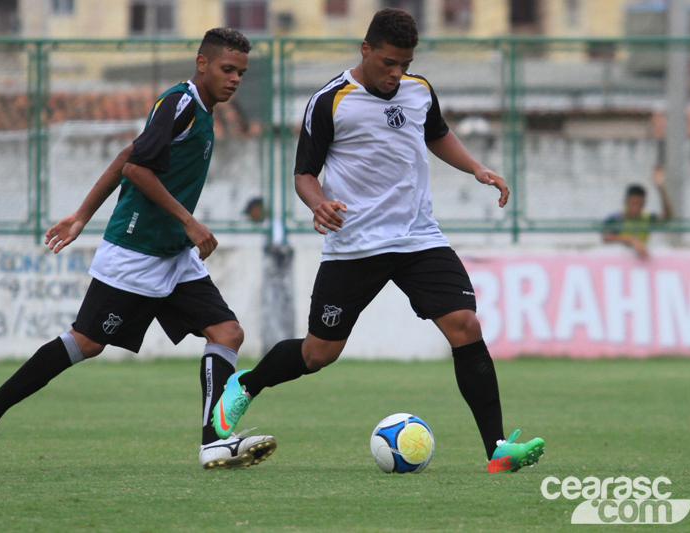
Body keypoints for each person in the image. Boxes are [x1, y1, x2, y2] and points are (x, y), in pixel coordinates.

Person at [212, 9, 544, 474]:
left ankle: (496, 450)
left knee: (466, 326)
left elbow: (438, 134)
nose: (396, 73)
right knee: (318, 353)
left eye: (404, 63)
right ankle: (248, 384)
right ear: (365, 50)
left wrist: (477, 169)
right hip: (356, 244)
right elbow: (304, 173)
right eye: (388, 62)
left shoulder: (419, 90)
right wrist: (318, 204)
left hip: (417, 237)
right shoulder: (330, 100)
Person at [0, 28, 277, 472]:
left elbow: (128, 153)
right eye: (228, 69)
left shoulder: (202, 110)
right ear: (202, 64)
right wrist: (189, 220)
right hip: (137, 250)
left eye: (241, 72)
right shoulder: (181, 102)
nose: (235, 79)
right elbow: (137, 168)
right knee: (85, 343)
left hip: (174, 253)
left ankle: (214, 443)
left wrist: (81, 216)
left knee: (227, 333)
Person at [602, 165, 673, 259]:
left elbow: (668, 218)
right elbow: (607, 238)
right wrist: (630, 241)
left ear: (644, 204)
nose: (636, 207)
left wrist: (661, 188)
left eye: (639, 204)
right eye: (633, 203)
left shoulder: (647, 218)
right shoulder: (616, 219)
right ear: (626, 202)